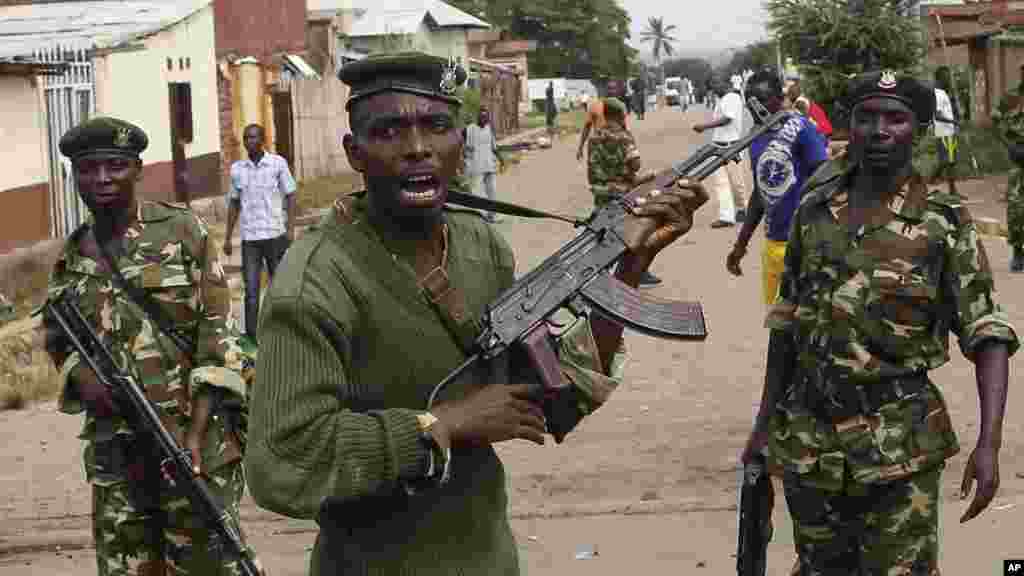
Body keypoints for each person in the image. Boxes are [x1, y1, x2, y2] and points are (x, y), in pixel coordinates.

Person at [242, 51, 707, 575]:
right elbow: (281, 463)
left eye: (436, 126)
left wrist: (629, 262)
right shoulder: (316, 281)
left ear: (459, 141)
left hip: (487, 558)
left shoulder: (479, 245)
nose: (417, 148)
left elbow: (547, 402)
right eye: (389, 131)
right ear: (355, 151)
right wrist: (443, 424)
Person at [740, 70, 1018, 575]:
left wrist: (989, 444)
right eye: (866, 117)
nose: (880, 129)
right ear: (849, 125)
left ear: (918, 129)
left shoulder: (943, 221)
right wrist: (762, 426)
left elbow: (988, 333)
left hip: (900, 448)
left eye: (896, 118)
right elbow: (787, 325)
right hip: (810, 443)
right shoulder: (813, 211)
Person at [41, 117, 258, 576]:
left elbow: (217, 338)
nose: (102, 178)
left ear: (138, 169)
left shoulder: (181, 232)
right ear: (74, 176)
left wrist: (195, 436)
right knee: (128, 566)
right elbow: (56, 335)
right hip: (117, 454)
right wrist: (84, 380)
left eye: (115, 166)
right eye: (88, 168)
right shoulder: (74, 254)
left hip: (192, 443)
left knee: (209, 562)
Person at [725, 69, 828, 307]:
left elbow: (825, 179)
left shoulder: (800, 128)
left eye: (760, 99)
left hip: (805, 246)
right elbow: (761, 194)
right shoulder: (756, 137)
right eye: (749, 100)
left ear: (778, 99)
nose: (753, 106)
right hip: (774, 245)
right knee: (777, 326)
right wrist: (741, 245)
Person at [224, 123, 297, 343]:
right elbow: (234, 204)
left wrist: (290, 229)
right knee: (251, 291)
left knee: (280, 286)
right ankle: (253, 337)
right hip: (250, 239)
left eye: (253, 137)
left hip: (275, 235)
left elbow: (291, 194)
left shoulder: (277, 164)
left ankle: (284, 332)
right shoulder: (238, 169)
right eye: (246, 138)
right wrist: (228, 237)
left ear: (262, 140)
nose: (249, 142)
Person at [585, 97, 662, 287]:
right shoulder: (624, 136)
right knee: (634, 232)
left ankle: (594, 274)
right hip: (623, 192)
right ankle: (638, 273)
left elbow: (592, 168)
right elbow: (635, 164)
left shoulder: (594, 137)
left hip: (601, 192)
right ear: (620, 115)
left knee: (603, 231)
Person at [694, 75, 749, 227]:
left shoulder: (732, 98)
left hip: (732, 147)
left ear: (722, 83)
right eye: (711, 88)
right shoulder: (722, 99)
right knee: (721, 183)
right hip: (718, 146)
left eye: (714, 86)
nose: (713, 90)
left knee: (737, 183)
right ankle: (726, 217)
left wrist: (704, 126)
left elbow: (727, 119)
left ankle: (743, 209)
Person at [994, 72, 1024, 272]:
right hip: (1019, 159)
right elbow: (995, 120)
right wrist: (1008, 145)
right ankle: (1018, 252)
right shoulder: (1010, 97)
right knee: (1016, 208)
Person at [463, 105, 505, 222]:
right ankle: (480, 216)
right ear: (477, 117)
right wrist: (463, 159)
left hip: (488, 165)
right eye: (481, 116)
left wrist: (502, 160)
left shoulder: (489, 128)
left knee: (492, 191)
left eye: (485, 117)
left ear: (488, 118)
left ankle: (492, 215)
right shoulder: (470, 128)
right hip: (475, 166)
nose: (483, 119)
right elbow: (460, 141)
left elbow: (494, 147)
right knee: (477, 192)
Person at [576, 79, 628, 162]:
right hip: (599, 145)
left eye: (614, 88)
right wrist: (580, 147)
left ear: (617, 90)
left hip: (616, 145)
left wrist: (627, 147)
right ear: (605, 90)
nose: (612, 91)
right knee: (596, 173)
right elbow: (587, 127)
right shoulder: (594, 105)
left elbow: (624, 127)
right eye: (609, 88)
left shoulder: (621, 106)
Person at [932, 66, 961, 196]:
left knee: (950, 161)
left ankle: (952, 190)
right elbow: (937, 115)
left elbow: (949, 111)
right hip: (943, 132)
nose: (949, 79)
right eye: (947, 77)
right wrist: (953, 122)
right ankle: (932, 178)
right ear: (940, 78)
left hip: (949, 131)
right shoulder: (937, 94)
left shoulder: (944, 93)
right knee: (947, 161)